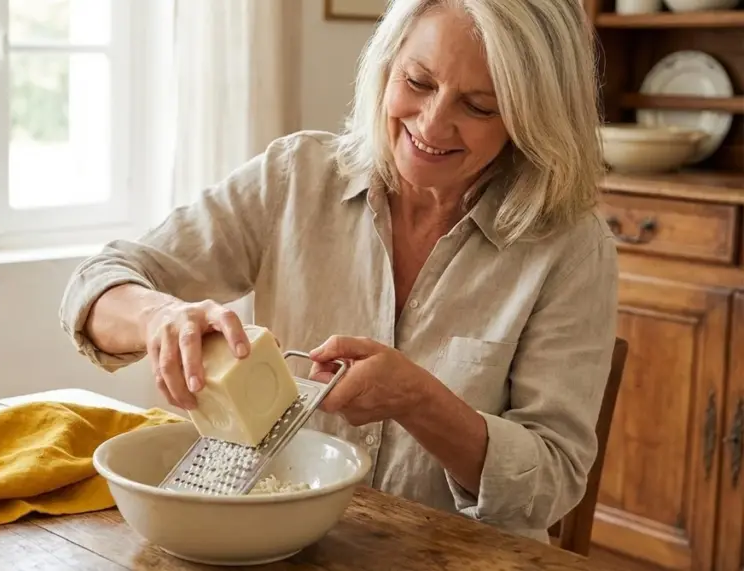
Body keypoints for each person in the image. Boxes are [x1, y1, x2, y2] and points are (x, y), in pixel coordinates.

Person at [60, 0, 617, 543]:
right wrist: (162, 317)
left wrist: (420, 401)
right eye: (418, 82)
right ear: (386, 66)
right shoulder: (295, 177)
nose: (433, 123)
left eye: (479, 106)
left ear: (531, 118)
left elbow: (552, 481)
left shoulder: (569, 246)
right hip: (276, 545)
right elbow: (97, 283)